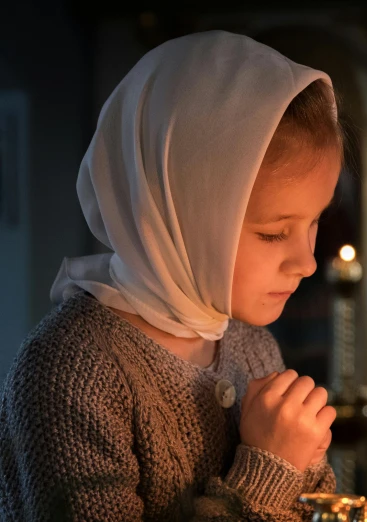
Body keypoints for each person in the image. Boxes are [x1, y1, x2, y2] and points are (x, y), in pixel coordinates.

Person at [0, 31, 343, 521]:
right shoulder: (72, 372)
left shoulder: (251, 346)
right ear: (181, 214)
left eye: (314, 223)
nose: (307, 263)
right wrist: (269, 471)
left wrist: (300, 462)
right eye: (273, 233)